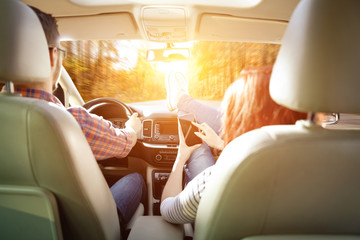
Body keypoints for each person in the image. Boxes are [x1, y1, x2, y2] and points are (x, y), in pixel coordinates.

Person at [4, 6, 146, 234]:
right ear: (52, 57)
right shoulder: (72, 122)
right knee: (136, 179)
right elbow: (124, 145)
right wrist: (131, 128)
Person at [160, 65, 307, 223]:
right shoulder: (320, 173)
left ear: (235, 126)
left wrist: (180, 158)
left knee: (198, 146)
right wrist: (222, 144)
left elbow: (167, 209)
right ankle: (183, 100)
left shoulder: (213, 182)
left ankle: (181, 100)